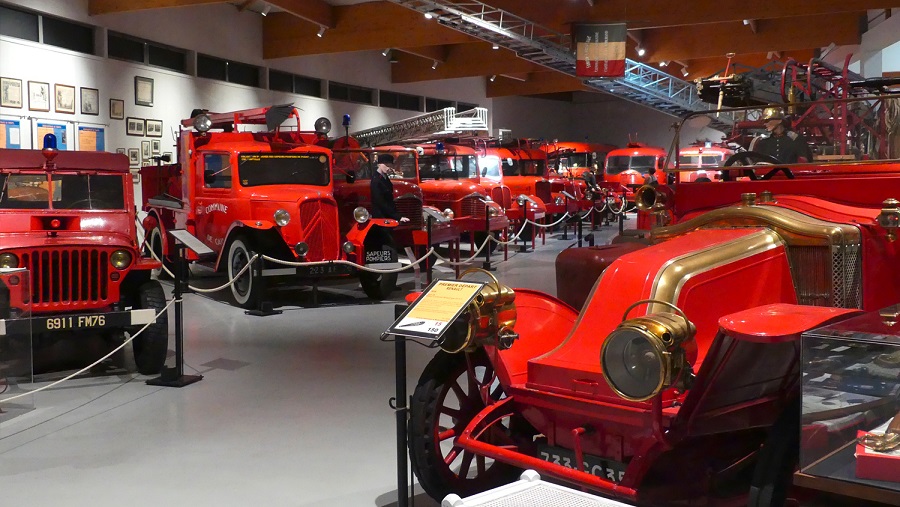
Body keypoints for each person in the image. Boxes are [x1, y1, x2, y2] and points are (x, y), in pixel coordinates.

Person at [370, 153, 410, 223]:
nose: (388, 168)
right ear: (379, 164)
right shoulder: (376, 180)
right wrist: (396, 216)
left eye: (390, 165)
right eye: (386, 165)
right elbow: (381, 202)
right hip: (381, 217)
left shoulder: (384, 177)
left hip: (387, 215)